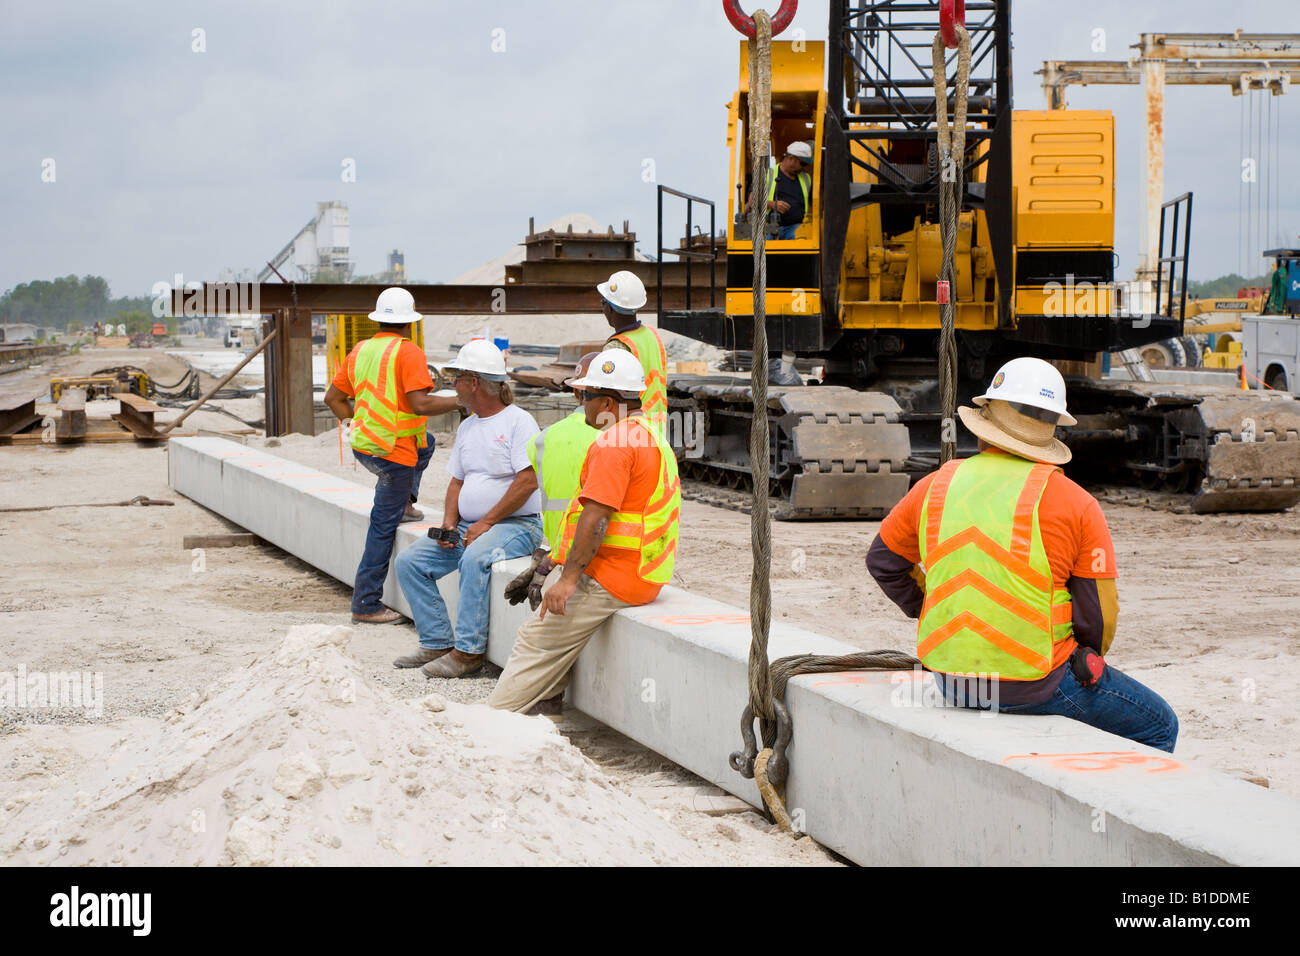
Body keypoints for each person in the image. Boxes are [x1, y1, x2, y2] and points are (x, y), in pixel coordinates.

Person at [866, 357, 1179, 752]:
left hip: (951, 680)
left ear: (982, 430)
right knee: (1159, 725)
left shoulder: (934, 485)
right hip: (1037, 684)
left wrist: (933, 604)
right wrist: (1083, 657)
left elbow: (883, 561)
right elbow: (1097, 615)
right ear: (1050, 433)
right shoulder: (1076, 503)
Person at [488, 349, 681, 716]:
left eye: (585, 396)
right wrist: (555, 563)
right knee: (550, 628)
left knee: (536, 640)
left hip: (613, 576)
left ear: (607, 401)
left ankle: (494, 721)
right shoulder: (648, 435)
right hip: (642, 573)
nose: (581, 404)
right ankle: (545, 705)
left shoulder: (613, 444)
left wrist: (568, 579)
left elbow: (596, 518)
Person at [393, 339, 543, 678]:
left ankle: (467, 654)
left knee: (475, 558)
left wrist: (487, 522)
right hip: (473, 525)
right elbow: (457, 482)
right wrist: (449, 524)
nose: (452, 386)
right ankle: (436, 642)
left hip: (517, 525)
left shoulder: (519, 423)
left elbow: (527, 481)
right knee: (411, 562)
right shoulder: (469, 426)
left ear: (473, 382)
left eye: (456, 378)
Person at [324, 287, 458, 624]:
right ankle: (366, 603)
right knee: (382, 529)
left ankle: (405, 504)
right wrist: (462, 400)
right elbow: (421, 404)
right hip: (393, 454)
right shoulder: (408, 352)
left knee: (426, 444)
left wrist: (352, 422)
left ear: (379, 319)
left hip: (367, 443)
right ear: (411, 322)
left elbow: (333, 398)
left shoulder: (361, 350)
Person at [503, 352, 602, 611]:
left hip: (559, 549)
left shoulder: (543, 438)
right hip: (597, 557)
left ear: (575, 393)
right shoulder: (612, 438)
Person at [598, 270, 668, 436]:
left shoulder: (617, 347)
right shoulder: (651, 335)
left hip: (632, 430)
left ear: (609, 308)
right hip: (658, 427)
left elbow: (606, 399)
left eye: (603, 302)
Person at [765, 141, 812, 240]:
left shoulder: (806, 178)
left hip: (797, 228)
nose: (804, 167)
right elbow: (753, 201)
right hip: (769, 227)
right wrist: (772, 204)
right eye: (803, 164)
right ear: (791, 159)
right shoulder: (768, 175)